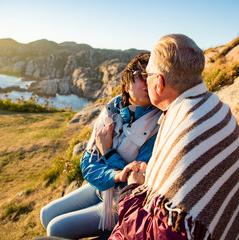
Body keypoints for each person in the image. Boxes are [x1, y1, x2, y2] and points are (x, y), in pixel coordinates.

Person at [108, 34, 239, 239]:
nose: (145, 79)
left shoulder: (185, 127)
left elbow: (163, 234)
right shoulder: (217, 108)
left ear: (158, 82)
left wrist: (132, 189)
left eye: (147, 74)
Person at [39, 53, 162, 239]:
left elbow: (139, 176)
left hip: (121, 199)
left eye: (151, 77)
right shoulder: (111, 110)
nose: (147, 83)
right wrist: (115, 174)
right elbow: (88, 163)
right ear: (127, 83)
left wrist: (108, 153)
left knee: (56, 229)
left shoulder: (159, 122)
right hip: (100, 187)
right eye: (142, 77)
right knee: (46, 214)